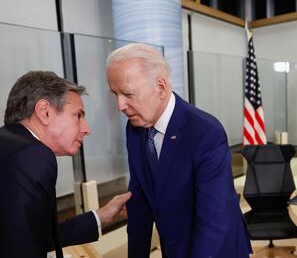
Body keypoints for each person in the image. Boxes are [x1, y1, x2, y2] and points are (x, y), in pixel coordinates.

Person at [106, 43, 252, 258]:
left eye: (128, 93)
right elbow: (139, 199)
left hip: (216, 249)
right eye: (115, 94)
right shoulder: (135, 127)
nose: (120, 105)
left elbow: (212, 220)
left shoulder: (205, 132)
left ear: (161, 87)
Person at [0, 71, 132, 258]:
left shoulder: (10, 144)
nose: (86, 129)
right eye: (78, 115)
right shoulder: (32, 155)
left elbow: (37, 235)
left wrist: (100, 216)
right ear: (44, 111)